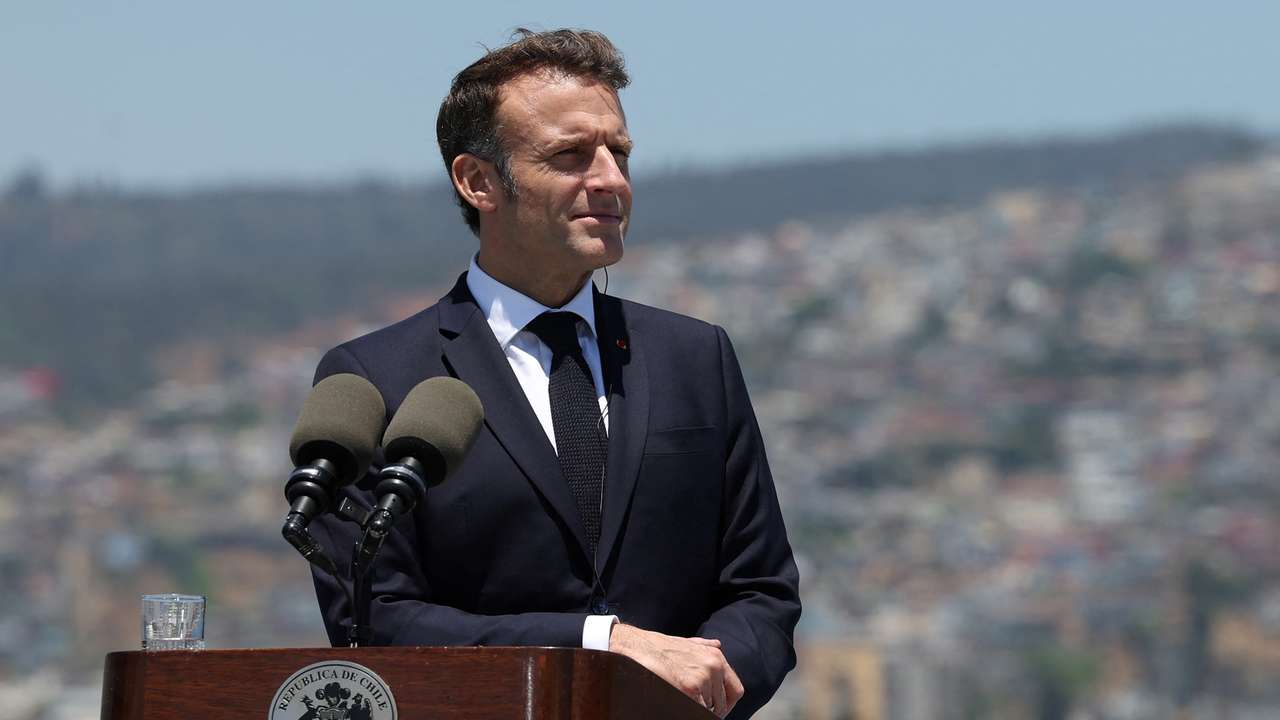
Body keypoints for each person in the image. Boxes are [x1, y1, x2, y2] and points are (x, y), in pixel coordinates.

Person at [308, 28, 800, 719]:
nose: (611, 180)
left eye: (619, 152)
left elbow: (762, 591)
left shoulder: (695, 358)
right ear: (478, 181)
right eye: (571, 156)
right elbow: (379, 617)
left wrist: (693, 694)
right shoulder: (378, 381)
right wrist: (599, 645)